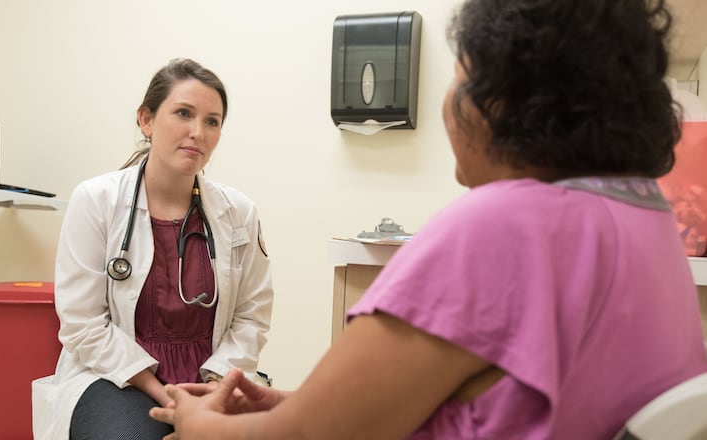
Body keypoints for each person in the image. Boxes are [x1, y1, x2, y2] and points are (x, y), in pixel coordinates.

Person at [149, 0, 707, 438]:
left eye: (458, 78)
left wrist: (208, 430)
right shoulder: (644, 215)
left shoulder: (507, 225)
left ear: (502, 103)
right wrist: (296, 404)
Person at [31, 58, 274, 440]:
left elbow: (251, 317)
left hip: (212, 375)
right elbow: (83, 325)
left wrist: (213, 386)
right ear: (146, 120)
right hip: (118, 375)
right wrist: (163, 392)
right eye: (183, 113)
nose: (198, 132)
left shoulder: (238, 212)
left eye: (212, 121)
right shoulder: (96, 200)